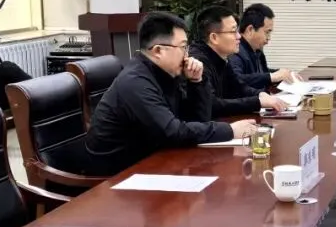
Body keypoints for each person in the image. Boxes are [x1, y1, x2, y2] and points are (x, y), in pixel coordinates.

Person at [84, 12, 257, 176]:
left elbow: (197, 120)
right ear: (158, 51)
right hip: (118, 176)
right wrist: (229, 130)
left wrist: (196, 81)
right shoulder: (136, 82)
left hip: (153, 161)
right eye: (183, 47)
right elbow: (172, 131)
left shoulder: (167, 73)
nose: (187, 55)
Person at [190, 7, 287, 117]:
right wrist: (257, 102)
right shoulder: (198, 61)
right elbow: (213, 104)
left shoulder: (221, 57)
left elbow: (238, 87)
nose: (239, 36)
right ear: (214, 38)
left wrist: (260, 94)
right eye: (233, 31)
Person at [229, 3, 299, 91]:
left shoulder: (257, 50)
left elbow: (262, 73)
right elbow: (235, 80)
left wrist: (283, 74)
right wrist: (271, 76)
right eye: (267, 32)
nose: (269, 38)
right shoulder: (235, 52)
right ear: (250, 29)